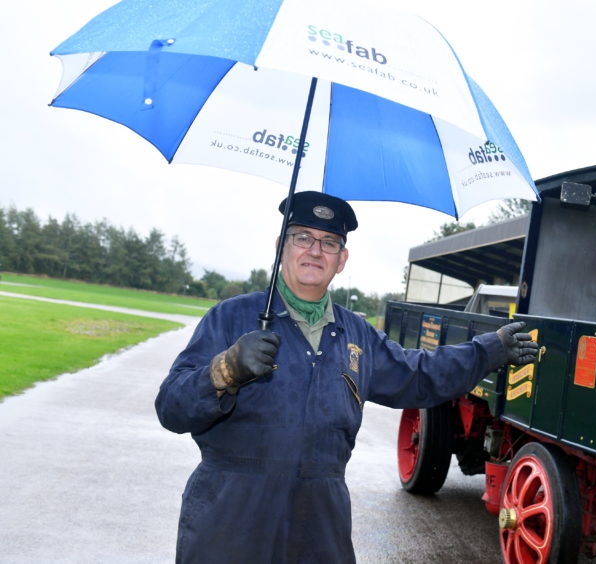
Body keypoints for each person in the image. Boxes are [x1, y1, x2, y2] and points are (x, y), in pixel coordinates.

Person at [155, 191, 538, 563]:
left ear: (342, 259)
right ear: (280, 247)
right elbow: (171, 408)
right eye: (302, 237)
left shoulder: (356, 334)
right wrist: (224, 369)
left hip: (319, 526)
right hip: (231, 518)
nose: (315, 250)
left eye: (329, 242)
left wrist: (489, 350)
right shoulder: (230, 318)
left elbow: (419, 375)